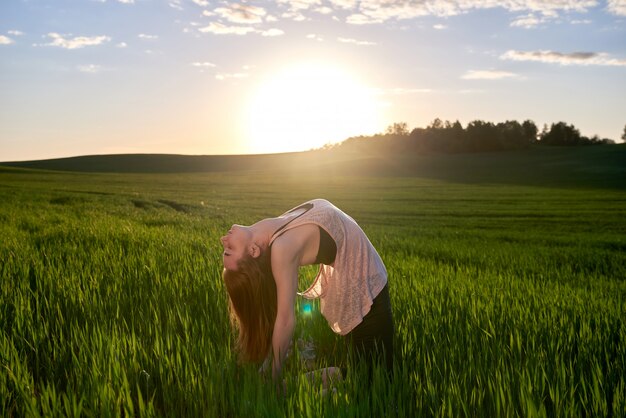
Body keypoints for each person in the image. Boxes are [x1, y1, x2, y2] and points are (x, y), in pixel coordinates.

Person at [220, 198, 394, 385]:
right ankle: (283, 390)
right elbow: (285, 319)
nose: (224, 239)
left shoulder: (274, 228)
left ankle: (286, 389)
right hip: (366, 291)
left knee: (369, 376)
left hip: (367, 281)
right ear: (253, 251)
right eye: (229, 249)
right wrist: (274, 373)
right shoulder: (282, 246)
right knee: (376, 381)